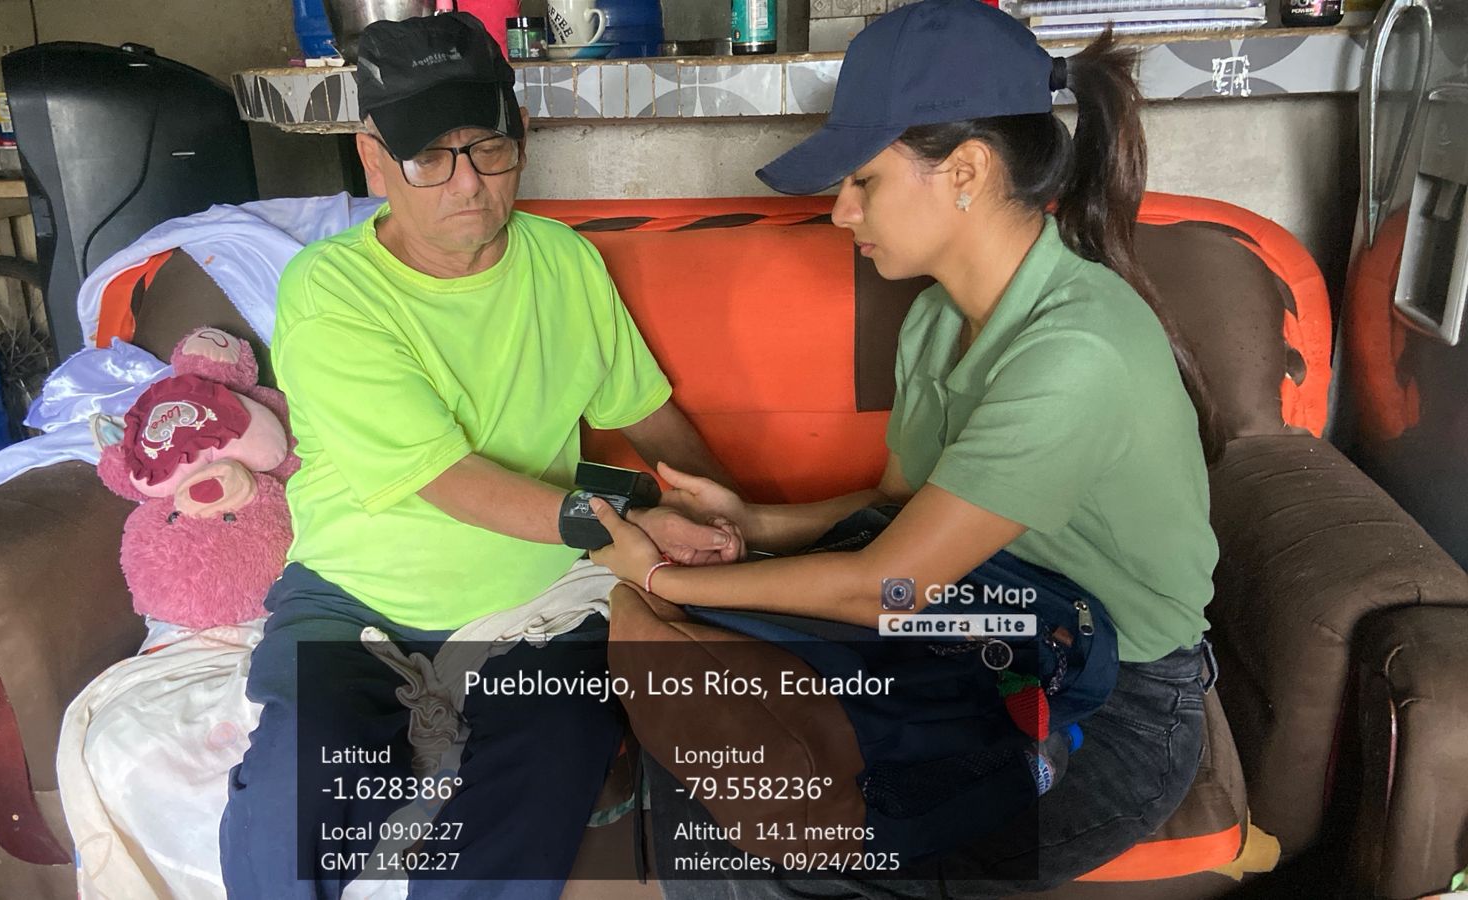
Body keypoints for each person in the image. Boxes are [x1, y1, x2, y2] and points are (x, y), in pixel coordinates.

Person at [586, 0, 1221, 895]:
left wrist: (661, 579)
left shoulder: (1076, 353)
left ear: (966, 170)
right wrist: (748, 521)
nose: (841, 212)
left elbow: (887, 585)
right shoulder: (936, 320)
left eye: (864, 180)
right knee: (712, 761)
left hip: (1113, 702)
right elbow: (896, 509)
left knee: (796, 831)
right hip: (987, 634)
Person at [218, 14, 741, 900]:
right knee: (295, 794)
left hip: (540, 601)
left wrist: (717, 502)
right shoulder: (331, 292)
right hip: (355, 601)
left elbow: (647, 414)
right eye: (429, 156)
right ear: (373, 158)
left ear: (522, 137)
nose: (467, 183)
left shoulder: (563, 262)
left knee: (553, 754)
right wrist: (627, 525)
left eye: (487, 148)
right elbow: (447, 479)